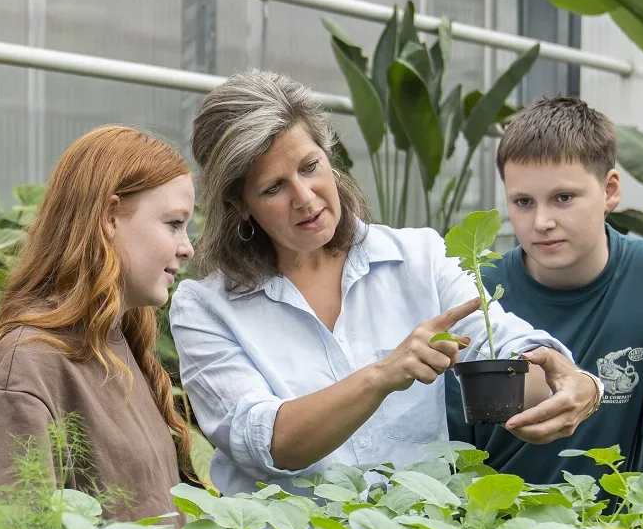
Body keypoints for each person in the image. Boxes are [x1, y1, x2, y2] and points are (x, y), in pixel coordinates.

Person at [170, 71, 601, 496]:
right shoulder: (206, 308)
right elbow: (264, 444)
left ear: (329, 156)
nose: (304, 197)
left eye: (310, 166)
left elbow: (503, 341)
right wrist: (381, 375)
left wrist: (577, 383)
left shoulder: (418, 259)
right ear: (238, 204)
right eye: (272, 188)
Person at [447, 95, 643, 484]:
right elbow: (450, 459)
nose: (542, 221)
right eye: (523, 202)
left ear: (609, 191)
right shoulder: (475, 292)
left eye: (563, 198)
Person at [0, 126, 197, 522]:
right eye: (174, 223)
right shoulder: (31, 362)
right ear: (109, 217)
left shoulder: (119, 344)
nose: (187, 247)